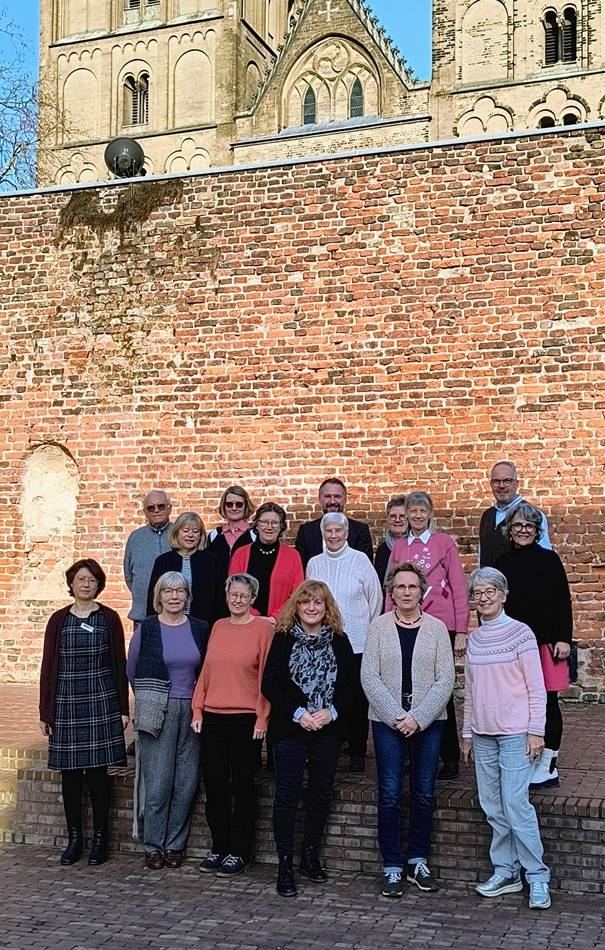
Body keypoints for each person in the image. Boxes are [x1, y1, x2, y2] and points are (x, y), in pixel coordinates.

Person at [361, 562, 454, 898]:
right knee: (389, 792)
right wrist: (397, 716)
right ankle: (392, 866)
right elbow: (369, 677)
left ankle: (417, 859)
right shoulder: (378, 627)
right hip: (388, 722)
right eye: (400, 587)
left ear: (422, 590)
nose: (406, 592)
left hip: (428, 723)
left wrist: (419, 717)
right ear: (391, 592)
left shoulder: (438, 628)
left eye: (412, 586)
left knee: (424, 792)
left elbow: (446, 679)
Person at [462, 567, 551, 910]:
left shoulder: (520, 634)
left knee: (516, 806)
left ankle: (537, 877)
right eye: (478, 593)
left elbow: (535, 686)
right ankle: (506, 871)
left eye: (490, 592)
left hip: (516, 733)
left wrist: (536, 731)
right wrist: (467, 732)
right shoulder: (474, 638)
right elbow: (470, 690)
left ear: (503, 594)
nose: (483, 598)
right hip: (483, 734)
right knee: (493, 806)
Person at [261, 580, 357, 897]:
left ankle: (310, 855)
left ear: (326, 607)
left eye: (318, 602)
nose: (312, 608)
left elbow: (351, 687)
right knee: (287, 796)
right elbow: (270, 684)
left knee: (320, 794)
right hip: (291, 728)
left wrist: (331, 712)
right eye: (305, 602)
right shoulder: (283, 639)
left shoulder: (340, 641)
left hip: (327, 728)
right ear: (296, 607)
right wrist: (299, 713)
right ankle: (285, 864)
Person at [39, 559, 129, 867]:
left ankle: (101, 840)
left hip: (101, 700)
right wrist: (45, 710)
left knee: (98, 776)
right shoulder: (58, 620)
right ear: (72, 584)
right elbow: (48, 667)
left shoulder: (109, 618)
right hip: (66, 701)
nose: (86, 584)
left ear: (98, 584)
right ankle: (74, 838)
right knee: (71, 776)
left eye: (91, 579)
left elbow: (120, 663)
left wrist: (123, 708)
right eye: (80, 579)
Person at [191, 573, 274, 877]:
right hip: (213, 716)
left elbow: (267, 677)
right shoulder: (218, 626)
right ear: (226, 596)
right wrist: (197, 709)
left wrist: (262, 717)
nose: (238, 600)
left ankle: (239, 850)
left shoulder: (263, 629)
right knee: (214, 785)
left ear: (253, 599)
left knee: (242, 787)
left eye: (244, 596)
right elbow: (206, 674)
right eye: (233, 595)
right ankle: (219, 846)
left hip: (245, 720)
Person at [128, 572, 209, 870]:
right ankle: (153, 845)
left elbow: (207, 668)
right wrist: (149, 699)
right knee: (159, 782)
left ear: (187, 596)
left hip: (193, 710)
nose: (174, 596)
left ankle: (175, 844)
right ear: (158, 596)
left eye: (180, 591)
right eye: (168, 591)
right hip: (157, 708)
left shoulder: (200, 628)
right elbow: (131, 669)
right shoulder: (147, 628)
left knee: (186, 782)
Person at [386, 491, 469, 780]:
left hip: (441, 623)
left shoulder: (444, 543)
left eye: (423, 511)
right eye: (413, 511)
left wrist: (461, 630)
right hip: (405, 623)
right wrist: (386, 622)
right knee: (405, 686)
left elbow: (458, 587)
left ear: (430, 513)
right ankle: (412, 754)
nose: (418, 516)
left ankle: (448, 756)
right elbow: (390, 588)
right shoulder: (399, 546)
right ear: (405, 515)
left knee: (440, 691)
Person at [496, 503, 572, 788]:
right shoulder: (502, 564)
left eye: (529, 526)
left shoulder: (550, 559)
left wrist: (564, 638)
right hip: (514, 645)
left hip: (547, 644)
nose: (523, 531)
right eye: (518, 526)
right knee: (519, 701)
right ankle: (528, 757)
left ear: (537, 531)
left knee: (548, 702)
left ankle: (549, 762)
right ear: (509, 530)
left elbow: (563, 601)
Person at [306, 512, 382, 772]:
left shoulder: (360, 561)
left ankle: (357, 751)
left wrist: (368, 629)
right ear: (323, 533)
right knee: (328, 692)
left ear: (346, 533)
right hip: (324, 641)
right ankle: (331, 746)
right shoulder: (315, 563)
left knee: (356, 696)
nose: (334, 535)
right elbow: (310, 600)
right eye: (329, 531)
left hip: (358, 640)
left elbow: (376, 599)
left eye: (339, 530)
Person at [146, 512, 226, 626]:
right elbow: (153, 598)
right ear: (176, 533)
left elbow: (220, 600)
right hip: (167, 625)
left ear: (201, 535)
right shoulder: (163, 561)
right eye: (185, 530)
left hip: (204, 627)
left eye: (195, 531)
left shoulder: (213, 561)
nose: (190, 535)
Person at [229, 503, 304, 622]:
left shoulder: (293, 556)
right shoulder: (241, 554)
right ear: (257, 525)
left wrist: (275, 617)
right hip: (245, 621)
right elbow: (231, 590)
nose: (269, 527)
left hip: (281, 624)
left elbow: (297, 594)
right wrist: (253, 616)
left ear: (281, 527)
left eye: (274, 523)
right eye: (264, 522)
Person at [478, 461, 551, 567]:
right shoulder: (486, 516)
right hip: (489, 582)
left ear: (517, 484)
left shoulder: (533, 515)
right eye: (496, 481)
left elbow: (544, 558)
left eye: (507, 481)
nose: (501, 486)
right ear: (491, 484)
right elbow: (481, 556)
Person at [295, 478, 373, 568]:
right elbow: (301, 568)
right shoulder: (306, 531)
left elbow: (364, 567)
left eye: (337, 496)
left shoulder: (360, 531)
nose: (332, 501)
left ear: (345, 499)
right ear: (320, 499)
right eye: (327, 496)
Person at [123, 489, 173, 627]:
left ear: (169, 508)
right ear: (145, 512)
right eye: (151, 508)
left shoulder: (180, 533)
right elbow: (129, 577)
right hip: (143, 616)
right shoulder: (136, 538)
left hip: (177, 615)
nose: (156, 510)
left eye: (161, 506)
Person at [207, 485, 255, 574]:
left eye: (239, 504)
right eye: (229, 504)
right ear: (224, 506)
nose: (234, 508)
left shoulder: (255, 535)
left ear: (246, 506)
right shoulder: (214, 535)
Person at [374, 495, 407, 590]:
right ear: (388, 519)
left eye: (402, 516)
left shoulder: (415, 546)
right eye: (393, 516)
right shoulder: (383, 549)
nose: (397, 520)